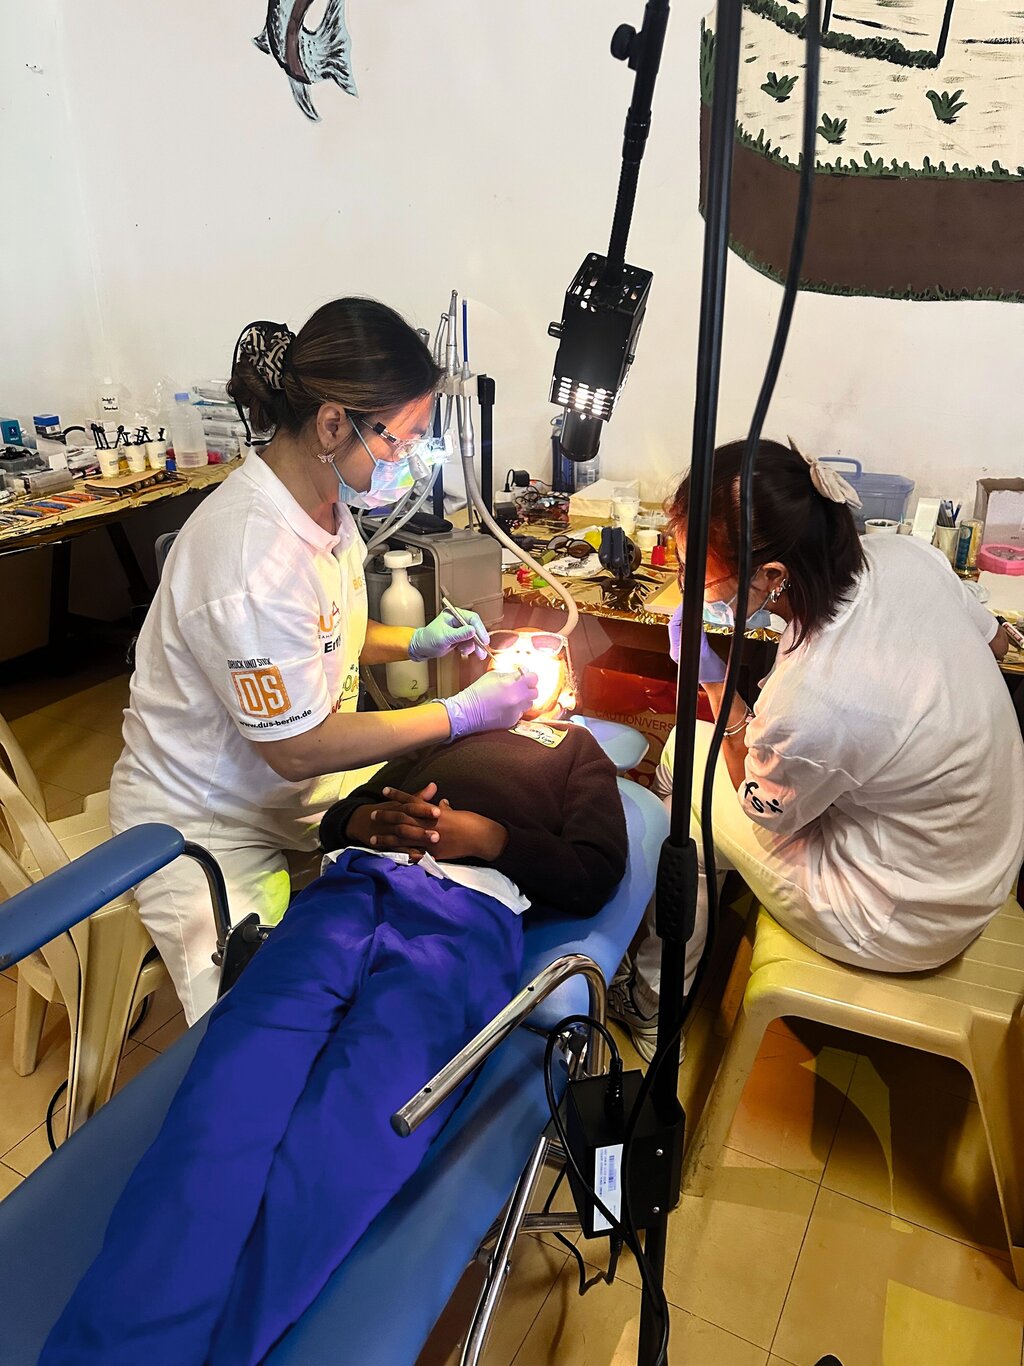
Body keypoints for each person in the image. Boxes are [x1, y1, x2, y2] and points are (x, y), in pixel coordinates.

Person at [41, 720, 627, 1365]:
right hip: (345, 895)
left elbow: (594, 873)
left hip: (464, 922)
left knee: (348, 1137)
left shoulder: (579, 751)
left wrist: (490, 839)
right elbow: (339, 818)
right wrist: (369, 821)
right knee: (224, 1103)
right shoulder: (454, 729)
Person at [110, 298, 538, 1024]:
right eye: (401, 441)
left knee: (444, 847)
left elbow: (325, 636)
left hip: (296, 791)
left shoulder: (327, 508)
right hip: (205, 818)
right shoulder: (248, 558)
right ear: (334, 424)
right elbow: (298, 746)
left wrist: (417, 641)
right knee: (263, 1018)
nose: (408, 463)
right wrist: (457, 713)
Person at [610, 439, 1024, 1061]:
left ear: (773, 576)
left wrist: (715, 681)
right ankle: (692, 929)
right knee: (704, 756)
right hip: (979, 862)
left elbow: (760, 804)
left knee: (684, 777)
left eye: (699, 573)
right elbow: (996, 645)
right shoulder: (907, 556)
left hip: (904, 915)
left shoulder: (818, 697)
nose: (687, 587)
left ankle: (651, 1006)